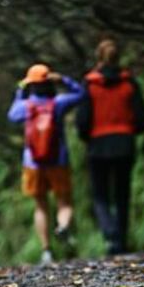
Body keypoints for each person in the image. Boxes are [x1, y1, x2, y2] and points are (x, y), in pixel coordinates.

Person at [76, 39, 144, 255]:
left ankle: (110, 234)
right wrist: (129, 130)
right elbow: (142, 118)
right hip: (125, 143)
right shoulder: (130, 83)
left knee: (100, 194)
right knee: (122, 192)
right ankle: (121, 240)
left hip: (98, 145)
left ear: (99, 58)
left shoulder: (90, 84)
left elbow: (82, 119)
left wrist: (86, 137)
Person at [8, 63, 84, 265]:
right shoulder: (59, 103)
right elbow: (82, 94)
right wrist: (63, 80)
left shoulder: (25, 107)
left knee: (41, 206)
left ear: (30, 85)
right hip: (58, 159)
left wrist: (20, 92)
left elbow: (11, 115)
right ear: (49, 82)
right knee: (64, 202)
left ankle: (46, 251)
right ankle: (63, 226)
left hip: (32, 163)